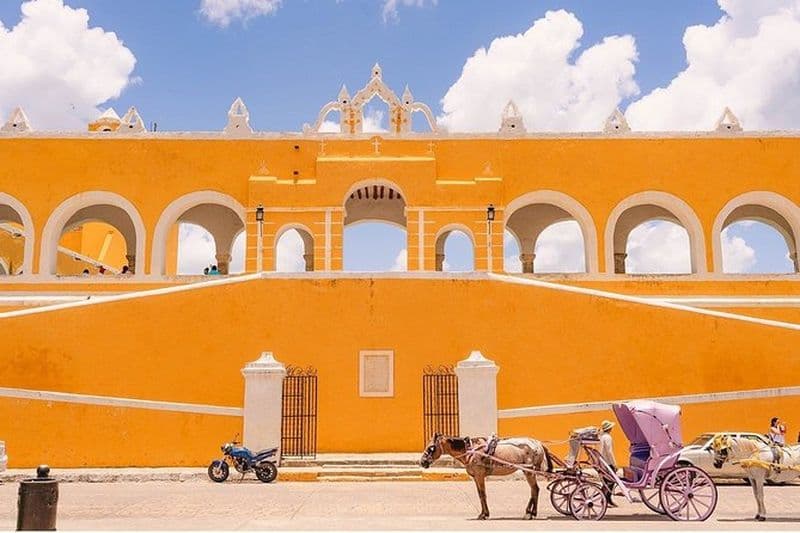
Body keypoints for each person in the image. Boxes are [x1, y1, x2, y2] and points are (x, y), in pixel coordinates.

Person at [598, 420, 618, 507]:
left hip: (603, 461)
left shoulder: (602, 437)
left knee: (607, 482)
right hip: (608, 463)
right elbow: (609, 452)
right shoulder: (607, 437)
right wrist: (614, 464)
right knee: (610, 482)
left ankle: (607, 499)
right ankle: (606, 500)